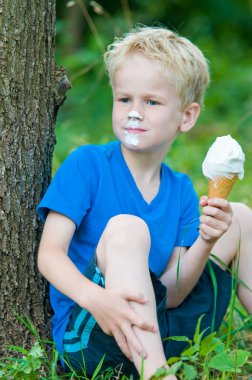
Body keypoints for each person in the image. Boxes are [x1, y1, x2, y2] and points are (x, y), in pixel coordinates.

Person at [37, 26, 252, 379]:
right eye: (125, 100)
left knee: (241, 217)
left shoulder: (181, 189)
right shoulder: (87, 164)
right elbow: (49, 255)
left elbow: (173, 293)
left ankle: (155, 362)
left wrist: (208, 240)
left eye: (151, 102)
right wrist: (97, 300)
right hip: (94, 330)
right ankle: (158, 375)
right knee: (127, 227)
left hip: (158, 329)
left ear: (187, 116)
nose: (134, 112)